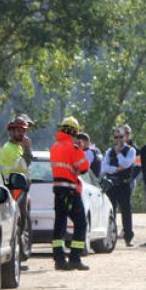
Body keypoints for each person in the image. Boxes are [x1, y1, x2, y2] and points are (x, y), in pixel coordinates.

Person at [50, 116, 91, 271]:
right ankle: (75, 258)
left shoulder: (54, 147)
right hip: (71, 192)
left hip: (58, 190)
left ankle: (59, 259)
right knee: (80, 223)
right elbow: (84, 168)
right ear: (74, 132)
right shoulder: (73, 148)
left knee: (59, 224)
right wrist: (80, 149)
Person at [0, 117, 33, 262]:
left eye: (23, 131)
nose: (22, 134)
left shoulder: (18, 147)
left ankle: (20, 255)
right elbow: (23, 166)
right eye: (18, 131)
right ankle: (17, 256)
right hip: (14, 190)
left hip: (21, 190)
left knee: (23, 223)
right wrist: (27, 149)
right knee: (18, 224)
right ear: (11, 131)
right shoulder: (9, 149)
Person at [103, 128, 138, 246]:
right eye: (116, 137)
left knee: (126, 211)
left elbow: (126, 164)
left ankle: (128, 237)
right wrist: (116, 169)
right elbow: (104, 168)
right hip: (111, 184)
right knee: (111, 211)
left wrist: (118, 153)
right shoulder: (109, 151)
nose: (118, 140)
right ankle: (110, 237)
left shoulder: (131, 150)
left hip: (124, 184)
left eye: (120, 137)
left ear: (125, 137)